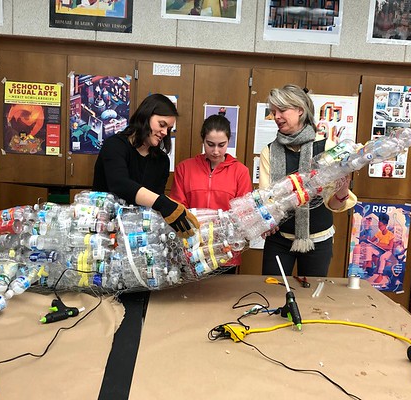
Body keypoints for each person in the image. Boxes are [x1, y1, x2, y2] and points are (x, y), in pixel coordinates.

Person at [259, 84, 357, 277]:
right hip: (279, 239)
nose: (276, 116)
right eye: (273, 111)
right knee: (272, 292)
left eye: (282, 110)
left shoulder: (328, 148)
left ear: (300, 110)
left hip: (318, 240)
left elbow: (334, 204)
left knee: (312, 299)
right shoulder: (269, 151)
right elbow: (266, 198)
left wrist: (342, 190)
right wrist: (266, 219)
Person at [92, 93, 199, 238]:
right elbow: (119, 184)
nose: (165, 132)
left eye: (169, 128)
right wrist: (162, 203)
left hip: (138, 239)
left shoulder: (161, 161)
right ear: (146, 116)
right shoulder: (115, 146)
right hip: (104, 233)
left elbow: (152, 209)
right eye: (162, 125)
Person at [170, 114, 253, 272]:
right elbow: (178, 208)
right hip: (192, 251)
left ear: (229, 141)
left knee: (224, 295)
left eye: (222, 145)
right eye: (210, 144)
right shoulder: (185, 168)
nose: (216, 151)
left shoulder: (240, 172)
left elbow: (244, 213)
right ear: (203, 140)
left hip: (226, 252)